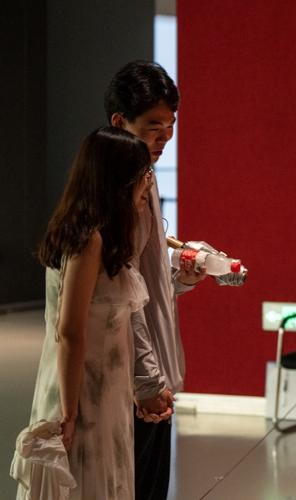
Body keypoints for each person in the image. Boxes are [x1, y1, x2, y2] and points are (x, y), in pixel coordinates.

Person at [11, 127, 154, 499]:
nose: (148, 182)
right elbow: (71, 331)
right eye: (142, 173)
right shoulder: (88, 239)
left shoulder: (107, 238)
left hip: (107, 394)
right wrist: (69, 413)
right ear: (118, 181)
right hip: (81, 393)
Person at [105, 60, 207, 499]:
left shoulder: (144, 176)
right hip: (127, 372)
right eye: (153, 126)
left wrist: (181, 277)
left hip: (149, 367)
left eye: (170, 126)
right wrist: (147, 380)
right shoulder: (113, 190)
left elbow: (144, 283)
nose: (164, 137)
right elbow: (117, 293)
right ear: (119, 123)